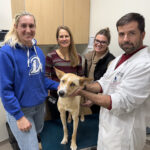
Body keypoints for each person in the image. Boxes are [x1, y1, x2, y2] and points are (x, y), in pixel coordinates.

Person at [71, 12, 150, 150]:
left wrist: (82, 93)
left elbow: (120, 102)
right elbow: (103, 83)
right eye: (121, 34)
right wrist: (82, 86)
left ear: (142, 35)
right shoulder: (118, 60)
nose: (125, 39)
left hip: (124, 136)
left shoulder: (144, 65)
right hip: (107, 128)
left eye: (131, 33)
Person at [0, 12, 59, 150]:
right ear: (15, 27)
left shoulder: (38, 52)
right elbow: (5, 89)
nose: (28, 30)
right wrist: (19, 117)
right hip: (21, 110)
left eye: (31, 26)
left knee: (35, 138)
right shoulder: (6, 52)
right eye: (23, 26)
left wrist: (59, 85)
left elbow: (40, 79)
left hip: (39, 107)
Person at [45, 25, 83, 119]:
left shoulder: (77, 57)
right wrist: (57, 88)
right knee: (58, 122)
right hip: (57, 96)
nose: (64, 39)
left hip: (72, 97)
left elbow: (81, 77)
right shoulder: (51, 56)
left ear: (70, 38)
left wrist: (79, 91)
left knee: (70, 122)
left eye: (66, 36)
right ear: (57, 39)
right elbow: (46, 77)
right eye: (61, 36)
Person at [83, 27, 115, 114]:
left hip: (100, 100)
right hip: (87, 96)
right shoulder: (88, 56)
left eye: (103, 42)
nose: (99, 44)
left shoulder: (111, 61)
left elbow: (109, 86)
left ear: (108, 44)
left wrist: (94, 100)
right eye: (97, 40)